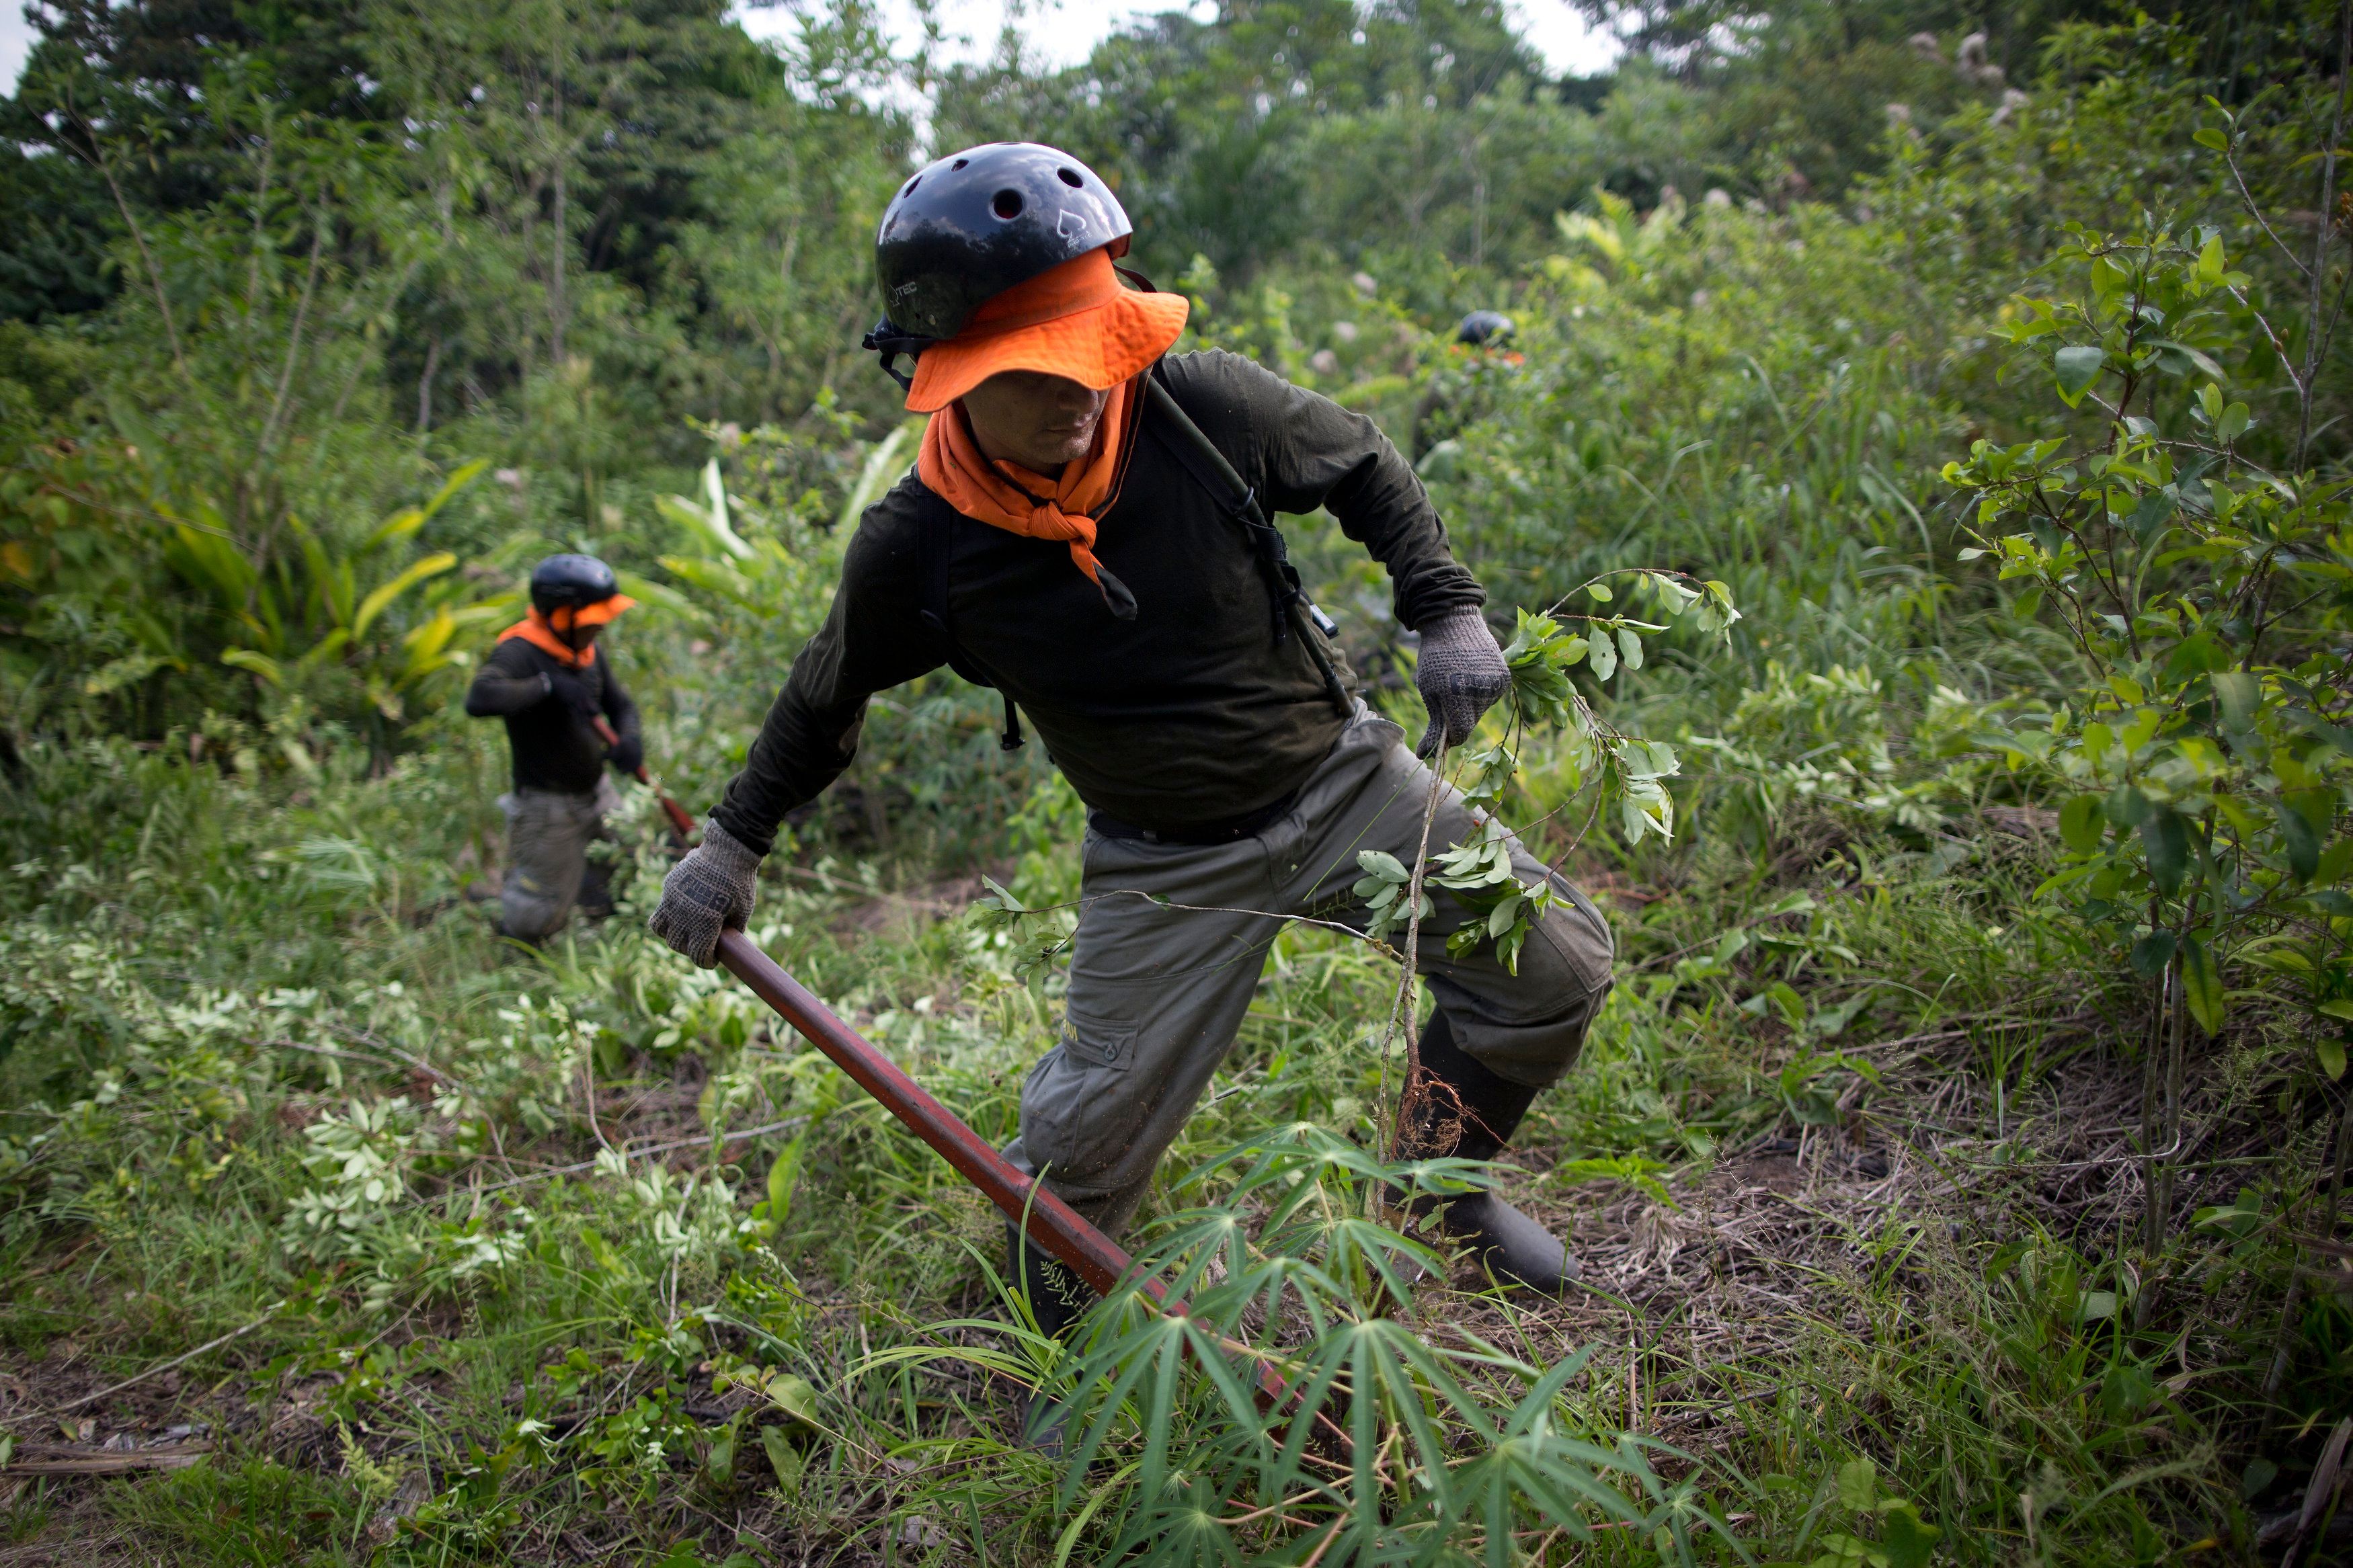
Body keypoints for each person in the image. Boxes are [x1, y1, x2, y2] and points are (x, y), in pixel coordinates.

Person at [648, 143, 1611, 1321]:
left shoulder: (1202, 409)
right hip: (1168, 858)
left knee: (1553, 965)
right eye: (1042, 372)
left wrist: (1446, 605)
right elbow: (824, 696)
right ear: (947, 376)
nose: (1084, 391)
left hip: (1342, 776)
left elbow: (1360, 458)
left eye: (1096, 355)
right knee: (1077, 1147)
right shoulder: (922, 549)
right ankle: (1066, 1346)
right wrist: (731, 845)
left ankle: (1438, 1192)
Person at [465, 554, 645, 942]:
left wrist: (630, 738)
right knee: (537, 911)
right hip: (548, 805)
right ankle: (517, 948)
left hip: (597, 793)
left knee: (625, 861)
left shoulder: (586, 650)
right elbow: (480, 697)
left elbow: (620, 705)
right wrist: (545, 687)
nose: (599, 628)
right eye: (592, 620)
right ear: (560, 615)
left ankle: (600, 927)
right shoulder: (521, 650)